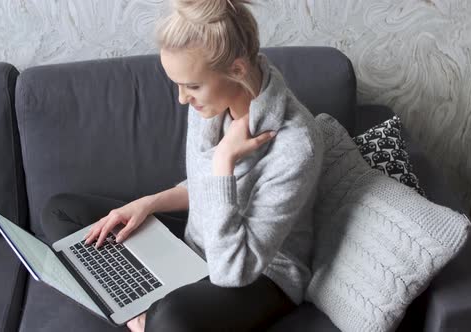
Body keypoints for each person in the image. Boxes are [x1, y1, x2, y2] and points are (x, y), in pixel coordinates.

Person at [40, 0, 324, 331]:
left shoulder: (296, 145)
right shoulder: (210, 104)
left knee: (170, 317)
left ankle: (144, 312)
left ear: (237, 69)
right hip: (197, 245)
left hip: (259, 273)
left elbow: (232, 269)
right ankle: (133, 311)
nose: (182, 99)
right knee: (62, 211)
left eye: (192, 86)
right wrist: (146, 204)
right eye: (178, 84)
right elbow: (203, 187)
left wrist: (223, 163)